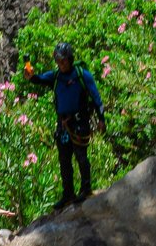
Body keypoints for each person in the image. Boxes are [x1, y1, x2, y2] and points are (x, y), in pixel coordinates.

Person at [24, 41, 105, 210]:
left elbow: (97, 99)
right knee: (64, 160)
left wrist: (101, 119)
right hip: (62, 125)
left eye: (63, 61)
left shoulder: (82, 75)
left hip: (79, 122)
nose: (60, 64)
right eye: (58, 61)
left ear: (70, 59)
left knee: (81, 155)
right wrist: (30, 75)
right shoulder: (56, 77)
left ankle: (86, 188)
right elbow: (37, 79)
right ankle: (68, 193)